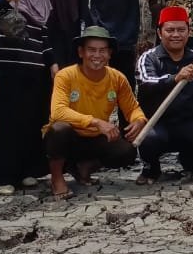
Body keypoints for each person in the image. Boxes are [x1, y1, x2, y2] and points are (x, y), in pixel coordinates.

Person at [0, 0, 58, 194]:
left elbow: (44, 34)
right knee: (8, 123)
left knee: (32, 121)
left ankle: (28, 170)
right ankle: (3, 177)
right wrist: (5, 1)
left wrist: (53, 63)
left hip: (35, 68)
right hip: (9, 68)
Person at [133, 6, 193, 184]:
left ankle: (191, 164)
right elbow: (147, 84)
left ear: (188, 32)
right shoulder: (149, 58)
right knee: (148, 138)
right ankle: (151, 168)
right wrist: (175, 78)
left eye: (181, 30)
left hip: (191, 121)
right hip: (158, 122)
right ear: (160, 32)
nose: (176, 35)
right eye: (170, 30)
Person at [45, 26, 142, 197]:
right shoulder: (65, 76)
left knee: (127, 151)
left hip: (95, 138)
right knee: (59, 129)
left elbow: (132, 107)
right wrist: (96, 122)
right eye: (91, 50)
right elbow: (58, 112)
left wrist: (139, 120)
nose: (97, 56)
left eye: (102, 50)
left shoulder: (117, 78)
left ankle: (85, 166)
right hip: (70, 137)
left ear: (109, 54)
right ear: (81, 52)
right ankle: (57, 177)